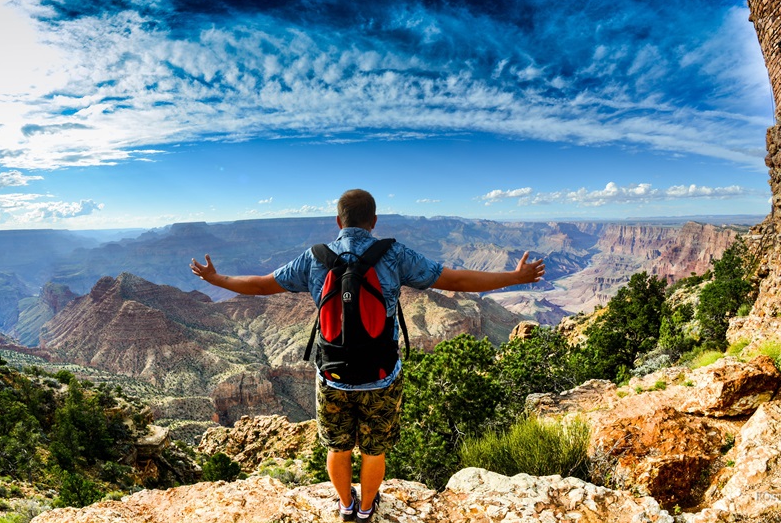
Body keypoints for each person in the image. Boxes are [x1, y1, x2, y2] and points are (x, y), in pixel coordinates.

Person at [191, 189, 544, 522]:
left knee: (337, 447)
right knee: (374, 450)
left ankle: (346, 507)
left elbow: (260, 285)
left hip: (332, 375)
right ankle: (367, 510)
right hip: (381, 375)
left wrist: (217, 278)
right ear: (374, 221)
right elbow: (456, 281)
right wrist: (513, 277)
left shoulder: (315, 258)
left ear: (338, 221)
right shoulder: (393, 254)